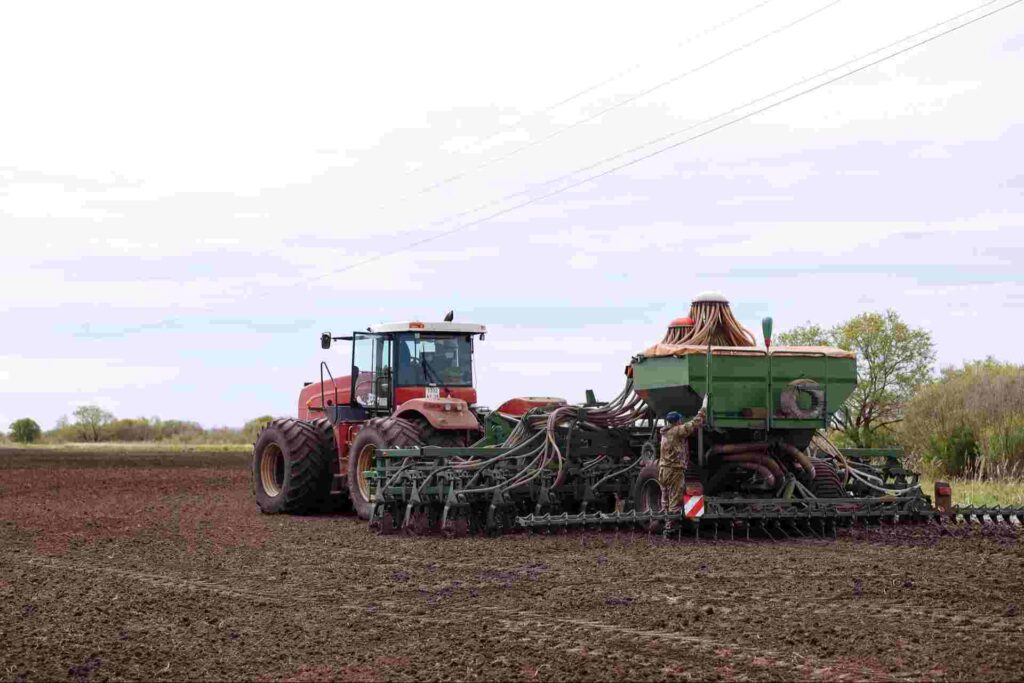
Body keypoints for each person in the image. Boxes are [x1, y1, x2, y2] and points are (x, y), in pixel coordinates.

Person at [659, 407, 706, 535]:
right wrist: (701, 413)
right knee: (675, 497)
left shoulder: (664, 432)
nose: (681, 421)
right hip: (674, 470)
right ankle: (671, 528)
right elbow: (692, 425)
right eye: (679, 419)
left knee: (666, 498)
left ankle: (665, 521)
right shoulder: (675, 431)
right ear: (676, 421)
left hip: (663, 469)